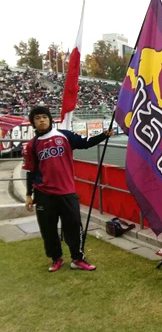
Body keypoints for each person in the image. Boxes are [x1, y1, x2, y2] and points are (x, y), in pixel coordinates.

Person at [24, 106, 114, 272]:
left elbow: (85, 143)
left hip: (67, 192)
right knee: (48, 229)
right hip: (44, 194)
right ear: (33, 123)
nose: (42, 120)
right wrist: (29, 194)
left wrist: (104, 135)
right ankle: (56, 259)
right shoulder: (32, 145)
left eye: (44, 117)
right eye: (37, 118)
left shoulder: (64, 135)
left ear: (50, 119)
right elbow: (31, 171)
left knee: (73, 226)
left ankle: (77, 259)